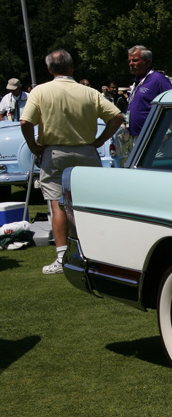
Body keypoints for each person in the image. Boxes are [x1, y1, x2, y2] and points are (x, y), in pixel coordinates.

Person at [19, 49, 123, 275]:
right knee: (91, 204)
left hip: (55, 152)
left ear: (49, 69)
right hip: (86, 151)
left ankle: (62, 257)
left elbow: (25, 122)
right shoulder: (90, 92)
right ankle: (98, 254)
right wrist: (100, 140)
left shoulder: (40, 91)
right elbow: (117, 117)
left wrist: (33, 146)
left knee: (57, 204)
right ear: (72, 67)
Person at [126, 44, 172, 138]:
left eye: (135, 60)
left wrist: (169, 132)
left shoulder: (158, 80)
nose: (131, 64)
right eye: (129, 61)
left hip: (154, 138)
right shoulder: (137, 81)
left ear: (147, 62)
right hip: (137, 137)